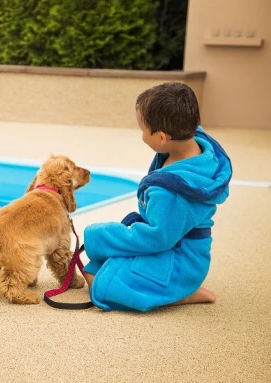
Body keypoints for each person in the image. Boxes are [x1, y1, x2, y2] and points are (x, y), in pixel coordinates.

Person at [83, 82, 232, 312]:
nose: (142, 136)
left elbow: (156, 238)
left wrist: (101, 236)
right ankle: (174, 288)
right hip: (177, 246)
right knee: (94, 267)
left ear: (162, 137)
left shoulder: (172, 191)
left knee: (100, 283)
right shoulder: (194, 143)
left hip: (182, 261)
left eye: (143, 130)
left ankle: (181, 293)